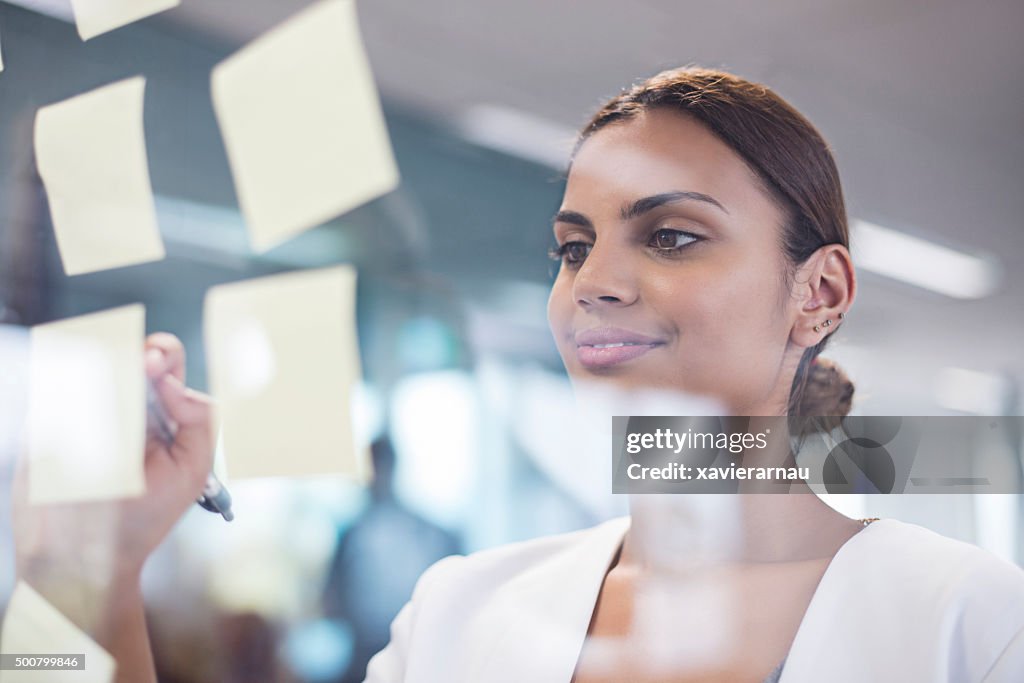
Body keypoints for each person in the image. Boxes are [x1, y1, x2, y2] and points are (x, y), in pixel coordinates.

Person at [11, 67, 1024, 683]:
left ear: (818, 292)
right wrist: (84, 570)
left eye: (671, 236)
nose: (596, 283)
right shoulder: (463, 608)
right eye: (571, 246)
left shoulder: (967, 618)